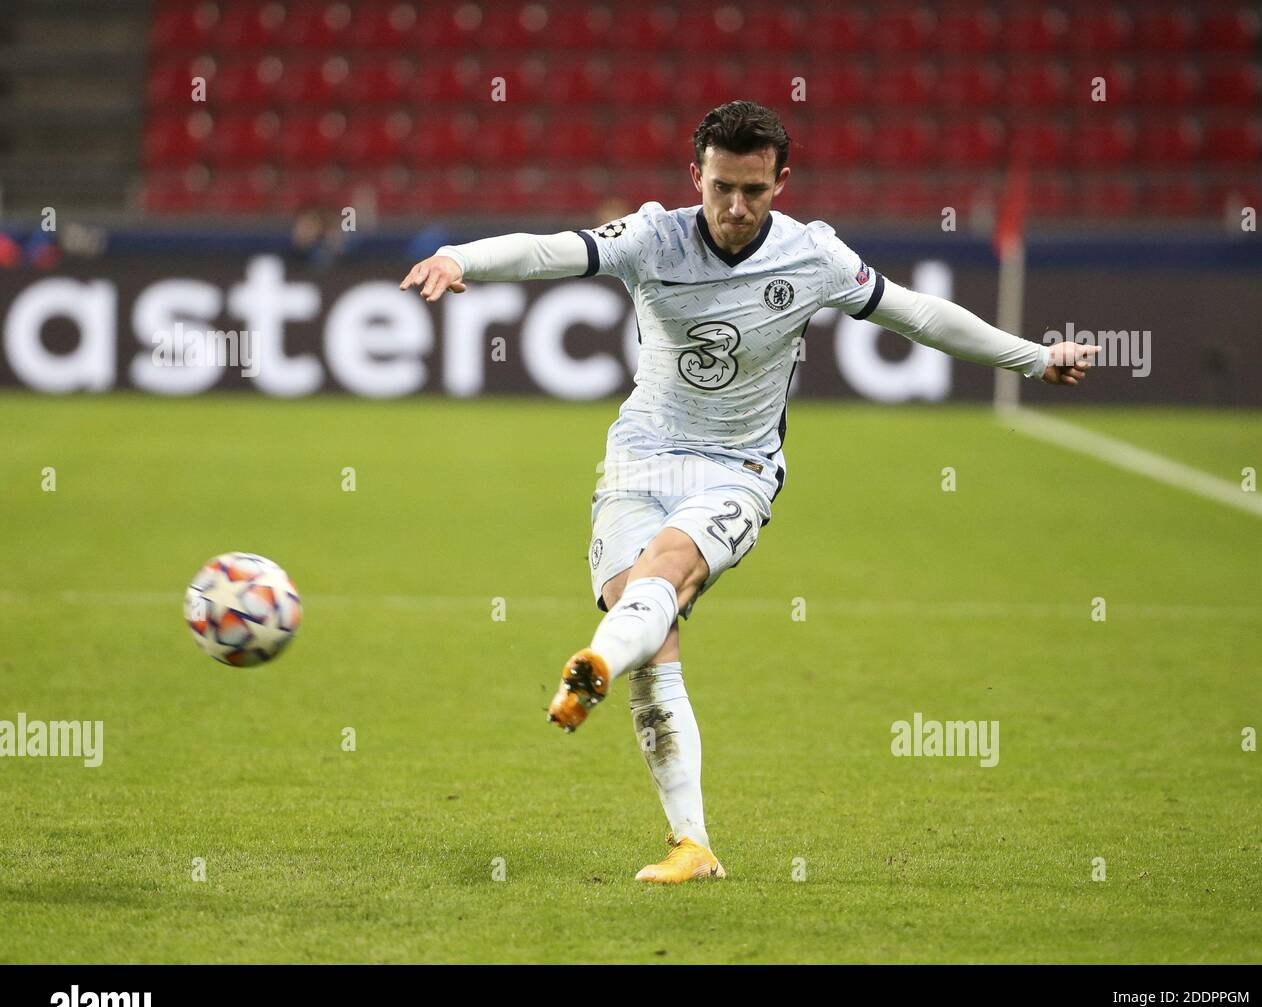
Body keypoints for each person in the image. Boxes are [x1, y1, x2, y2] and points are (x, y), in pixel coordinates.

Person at [401, 100, 1096, 884]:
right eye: (722, 188)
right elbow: (548, 252)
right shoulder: (653, 236)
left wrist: (1033, 358)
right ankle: (690, 843)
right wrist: (460, 257)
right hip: (637, 462)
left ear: (782, 182)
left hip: (737, 468)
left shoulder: (815, 257)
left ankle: (591, 661)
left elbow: (918, 315)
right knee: (651, 641)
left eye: (755, 191)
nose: (736, 209)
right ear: (693, 174)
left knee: (666, 570)